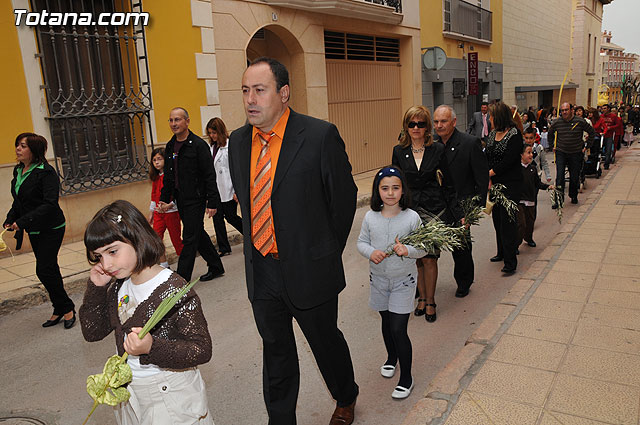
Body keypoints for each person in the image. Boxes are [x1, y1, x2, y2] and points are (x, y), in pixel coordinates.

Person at [228, 57, 359, 425]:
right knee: (276, 351)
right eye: (245, 90)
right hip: (262, 269)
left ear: (283, 93)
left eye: (259, 90)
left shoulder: (319, 136)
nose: (250, 99)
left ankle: (346, 395)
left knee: (324, 343)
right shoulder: (239, 142)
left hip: (310, 269)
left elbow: (343, 201)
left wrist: (323, 251)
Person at [79, 200, 213, 425]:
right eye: (100, 256)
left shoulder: (175, 291)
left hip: (170, 395)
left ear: (137, 238)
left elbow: (201, 349)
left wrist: (152, 347)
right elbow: (93, 331)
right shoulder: (120, 285)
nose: (107, 263)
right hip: (131, 392)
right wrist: (97, 288)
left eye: (112, 251)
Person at [356, 166, 425, 399]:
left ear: (403, 190)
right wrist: (370, 252)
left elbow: (424, 248)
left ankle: (407, 377)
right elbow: (361, 242)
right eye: (385, 188)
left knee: (398, 328)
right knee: (386, 322)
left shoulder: (412, 217)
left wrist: (408, 249)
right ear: (377, 191)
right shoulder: (370, 217)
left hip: (403, 282)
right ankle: (391, 358)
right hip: (378, 280)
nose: (390, 193)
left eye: (395, 188)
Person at [4, 133, 75, 329]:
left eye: (23, 146)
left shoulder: (46, 172)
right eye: (17, 144)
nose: (18, 148)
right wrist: (10, 219)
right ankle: (59, 308)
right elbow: (19, 201)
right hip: (34, 228)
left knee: (44, 269)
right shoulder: (18, 170)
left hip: (51, 227)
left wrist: (23, 221)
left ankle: (67, 307)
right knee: (49, 269)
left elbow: (50, 204)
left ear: (34, 150)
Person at [392, 105, 455, 322]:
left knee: (430, 259)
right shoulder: (399, 151)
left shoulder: (437, 150)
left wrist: (455, 213)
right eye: (412, 124)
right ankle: (420, 299)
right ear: (406, 127)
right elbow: (394, 184)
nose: (416, 128)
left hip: (433, 209)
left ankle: (430, 301)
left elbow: (448, 183)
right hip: (409, 210)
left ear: (427, 127)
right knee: (416, 259)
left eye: (420, 124)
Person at [158, 107, 224, 282]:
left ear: (187, 121)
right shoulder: (171, 145)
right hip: (181, 198)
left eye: (178, 120)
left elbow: (210, 175)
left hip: (196, 198)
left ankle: (181, 280)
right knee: (197, 233)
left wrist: (212, 201)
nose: (174, 124)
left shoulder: (198, 145)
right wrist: (165, 198)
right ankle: (216, 266)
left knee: (189, 237)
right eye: (171, 120)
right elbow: (170, 176)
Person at [433, 105, 489, 297]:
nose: (439, 126)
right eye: (436, 122)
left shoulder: (470, 143)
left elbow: (481, 178)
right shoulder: (430, 144)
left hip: (461, 206)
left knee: (461, 249)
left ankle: (464, 281)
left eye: (443, 121)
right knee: (430, 251)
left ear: (454, 122)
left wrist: (473, 211)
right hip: (437, 205)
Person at [486, 101, 524, 275]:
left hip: (511, 185)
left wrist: (490, 173)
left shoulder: (515, 134)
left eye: (491, 116)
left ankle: (510, 262)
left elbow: (509, 161)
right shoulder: (493, 134)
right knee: (498, 221)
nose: (489, 119)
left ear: (498, 117)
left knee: (508, 223)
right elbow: (487, 155)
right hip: (495, 184)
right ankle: (501, 252)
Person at [206, 117, 243, 256]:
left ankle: (250, 235)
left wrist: (236, 190)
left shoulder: (229, 146)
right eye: (209, 133)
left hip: (228, 188)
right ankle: (224, 247)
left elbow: (235, 169)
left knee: (231, 216)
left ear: (220, 131)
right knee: (217, 218)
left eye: (214, 133)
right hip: (216, 190)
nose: (211, 136)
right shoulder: (212, 148)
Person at [549, 102, 595, 204]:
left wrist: (587, 146)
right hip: (561, 152)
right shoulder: (557, 122)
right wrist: (552, 146)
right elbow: (550, 133)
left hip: (575, 153)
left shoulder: (580, 121)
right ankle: (559, 199)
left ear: (571, 110)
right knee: (560, 176)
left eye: (566, 110)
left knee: (574, 177)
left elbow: (591, 132)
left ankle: (573, 195)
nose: (564, 112)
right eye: (562, 110)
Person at [148, 147, 183, 267]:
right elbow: (153, 195)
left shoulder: (171, 176)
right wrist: (151, 212)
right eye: (154, 160)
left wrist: (170, 205)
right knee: (156, 238)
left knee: (176, 240)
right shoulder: (156, 177)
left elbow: (176, 194)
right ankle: (164, 265)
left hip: (171, 212)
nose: (156, 162)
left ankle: (183, 264)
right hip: (159, 213)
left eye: (159, 159)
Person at [518, 144, 553, 248]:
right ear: (521, 155)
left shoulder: (533, 169)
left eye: (531, 153)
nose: (530, 155)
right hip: (519, 201)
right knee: (521, 223)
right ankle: (516, 243)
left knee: (530, 223)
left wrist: (548, 187)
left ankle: (528, 238)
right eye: (528, 153)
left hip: (531, 200)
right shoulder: (516, 169)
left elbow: (538, 184)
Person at [593, 104, 620, 170]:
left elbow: (618, 124)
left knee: (608, 150)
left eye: (605, 108)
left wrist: (610, 127)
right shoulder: (601, 116)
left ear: (608, 109)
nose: (603, 110)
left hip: (609, 135)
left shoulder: (613, 116)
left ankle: (606, 164)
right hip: (601, 135)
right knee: (598, 149)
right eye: (602, 108)